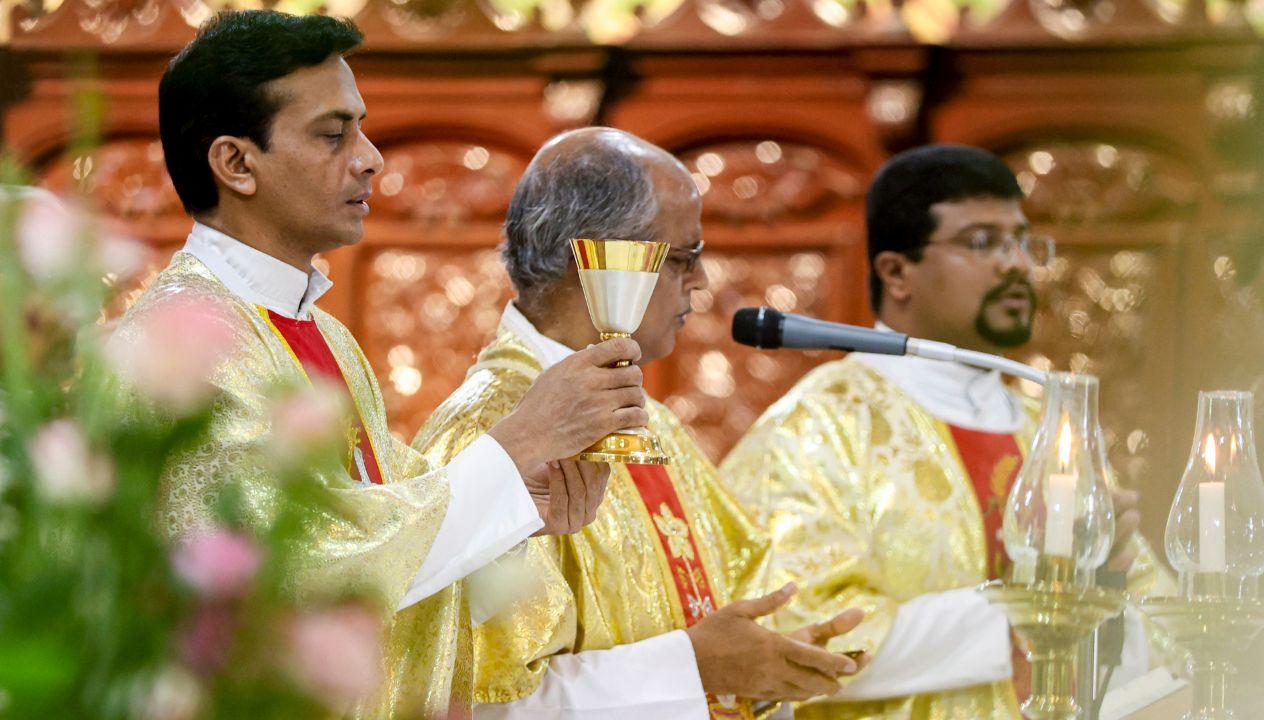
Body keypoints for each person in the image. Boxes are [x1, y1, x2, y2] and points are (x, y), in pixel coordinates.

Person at [111, 11, 645, 717]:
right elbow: (296, 571)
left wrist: (525, 505)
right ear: (236, 163)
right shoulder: (176, 347)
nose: (371, 157)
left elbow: (389, 521)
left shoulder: (324, 336)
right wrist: (517, 446)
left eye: (360, 128)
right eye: (333, 135)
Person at [413, 127, 870, 720]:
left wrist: (769, 663)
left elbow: (724, 605)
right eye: (684, 258)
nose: (701, 283)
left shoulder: (651, 422)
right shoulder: (489, 436)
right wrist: (697, 669)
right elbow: (469, 701)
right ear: (607, 261)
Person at [720, 144, 1175, 720]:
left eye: (1021, 241)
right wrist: (1036, 609)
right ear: (896, 272)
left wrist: (1104, 590)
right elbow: (796, 631)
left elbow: (1161, 626)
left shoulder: (1051, 433)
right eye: (982, 242)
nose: (1015, 263)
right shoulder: (819, 426)